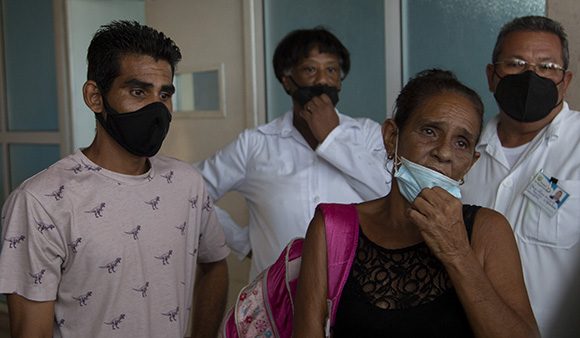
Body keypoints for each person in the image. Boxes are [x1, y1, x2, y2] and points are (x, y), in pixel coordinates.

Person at [0, 20, 229, 338]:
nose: (156, 109)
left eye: (164, 94)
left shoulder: (188, 183)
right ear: (95, 97)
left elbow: (215, 263)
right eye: (138, 91)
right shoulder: (40, 202)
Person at [293, 69, 539, 337]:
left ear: (471, 162)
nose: (444, 152)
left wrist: (457, 254)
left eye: (461, 142)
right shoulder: (332, 228)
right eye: (430, 131)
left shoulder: (488, 231)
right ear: (391, 138)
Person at [197, 27, 389, 278]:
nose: (322, 80)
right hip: (276, 299)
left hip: (354, 296)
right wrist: (242, 243)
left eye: (331, 70)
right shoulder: (254, 144)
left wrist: (333, 138)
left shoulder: (367, 134)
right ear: (287, 80)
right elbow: (192, 192)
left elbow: (389, 196)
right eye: (311, 69)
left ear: (340, 81)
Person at [460, 15, 579, 336]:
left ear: (565, 81)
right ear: (491, 75)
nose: (531, 75)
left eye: (546, 67)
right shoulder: (458, 152)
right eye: (515, 63)